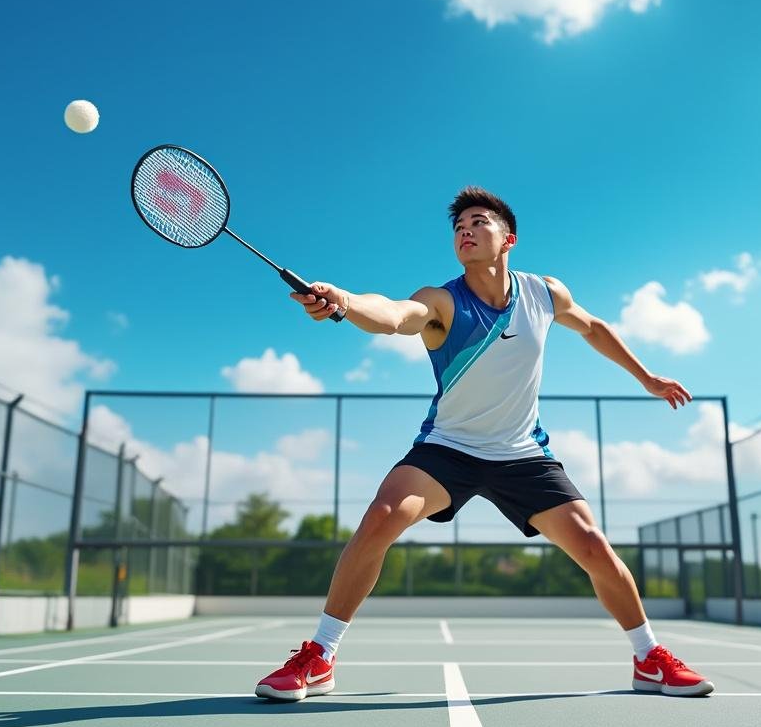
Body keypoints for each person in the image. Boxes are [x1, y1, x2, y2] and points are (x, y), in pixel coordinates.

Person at [254, 186, 713, 700]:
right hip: (448, 448)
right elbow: (393, 314)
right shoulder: (442, 302)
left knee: (592, 544)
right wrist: (343, 299)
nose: (465, 231)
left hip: (522, 453)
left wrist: (646, 377)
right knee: (382, 516)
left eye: (478, 222)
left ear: (508, 238)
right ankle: (320, 656)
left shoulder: (544, 293)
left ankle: (649, 659)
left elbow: (594, 328)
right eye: (458, 227)